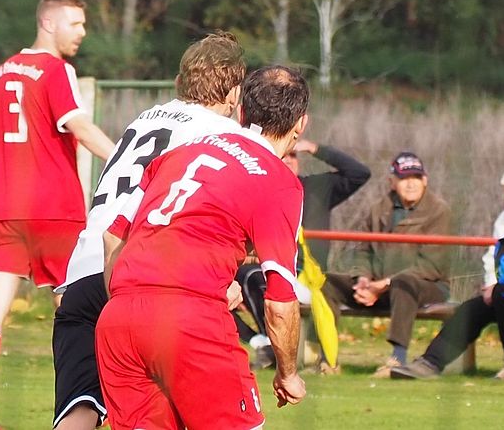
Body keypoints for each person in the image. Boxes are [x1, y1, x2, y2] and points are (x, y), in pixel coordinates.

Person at [95, 65, 310, 430]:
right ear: (301, 124)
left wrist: (132, 306)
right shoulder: (279, 182)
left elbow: (112, 237)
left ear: (242, 111)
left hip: (119, 319)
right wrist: (288, 373)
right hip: (190, 322)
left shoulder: (180, 153)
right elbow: (279, 301)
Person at [52, 32, 247, 430]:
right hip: (140, 281)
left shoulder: (146, 118)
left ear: (179, 82)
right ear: (233, 94)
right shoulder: (223, 139)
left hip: (82, 274)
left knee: (79, 411)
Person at [0, 0, 115, 430]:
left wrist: (9, 161)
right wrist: (128, 159)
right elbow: (79, 126)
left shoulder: (2, 71)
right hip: (55, 211)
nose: (82, 33)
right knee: (76, 313)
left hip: (7, 211)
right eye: (75, 24)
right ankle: (84, 407)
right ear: (48, 23)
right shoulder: (56, 69)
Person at [391, 160, 504, 381]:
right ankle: (430, 363)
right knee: (472, 309)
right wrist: (491, 282)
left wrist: (503, 285)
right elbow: (492, 254)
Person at [232, 140, 371, 368]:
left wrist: (315, 148)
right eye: (284, 154)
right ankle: (263, 344)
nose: (288, 159)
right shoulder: (257, 189)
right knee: (216, 286)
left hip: (307, 278)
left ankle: (277, 349)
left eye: (294, 155)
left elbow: (359, 174)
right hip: (264, 271)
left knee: (252, 276)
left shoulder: (316, 188)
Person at [321, 152, 452, 377]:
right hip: (377, 285)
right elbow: (363, 250)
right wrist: (363, 280)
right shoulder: (379, 209)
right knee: (325, 282)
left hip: (426, 286)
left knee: (404, 282)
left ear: (425, 180)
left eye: (416, 177)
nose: (410, 183)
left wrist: (384, 284)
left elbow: (432, 265)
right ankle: (327, 359)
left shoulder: (439, 211)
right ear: (392, 181)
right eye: (404, 178)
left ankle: (397, 359)